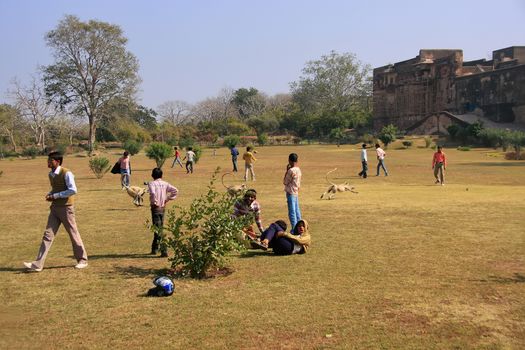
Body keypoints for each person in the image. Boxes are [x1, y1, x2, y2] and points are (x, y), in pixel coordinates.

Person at [24, 151, 88, 272]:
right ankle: (38, 265)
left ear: (57, 162)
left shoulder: (66, 173)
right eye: (48, 160)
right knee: (47, 235)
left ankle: (82, 260)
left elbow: (73, 190)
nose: (48, 162)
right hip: (55, 209)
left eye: (50, 160)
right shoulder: (51, 174)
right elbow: (55, 188)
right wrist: (50, 194)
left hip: (66, 208)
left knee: (73, 234)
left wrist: (56, 196)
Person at [147, 167, 178, 257]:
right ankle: (154, 249)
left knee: (158, 229)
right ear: (161, 175)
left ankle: (163, 250)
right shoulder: (165, 184)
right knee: (158, 228)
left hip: (155, 208)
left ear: (152, 175)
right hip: (162, 208)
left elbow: (152, 193)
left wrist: (155, 202)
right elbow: (175, 191)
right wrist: (167, 199)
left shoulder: (152, 184)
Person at [283, 153, 302, 230]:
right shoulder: (298, 169)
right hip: (296, 191)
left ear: (290, 160)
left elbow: (285, 182)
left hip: (290, 192)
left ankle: (294, 228)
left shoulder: (291, 170)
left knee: (292, 212)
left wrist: (286, 171)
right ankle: (301, 227)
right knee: (297, 211)